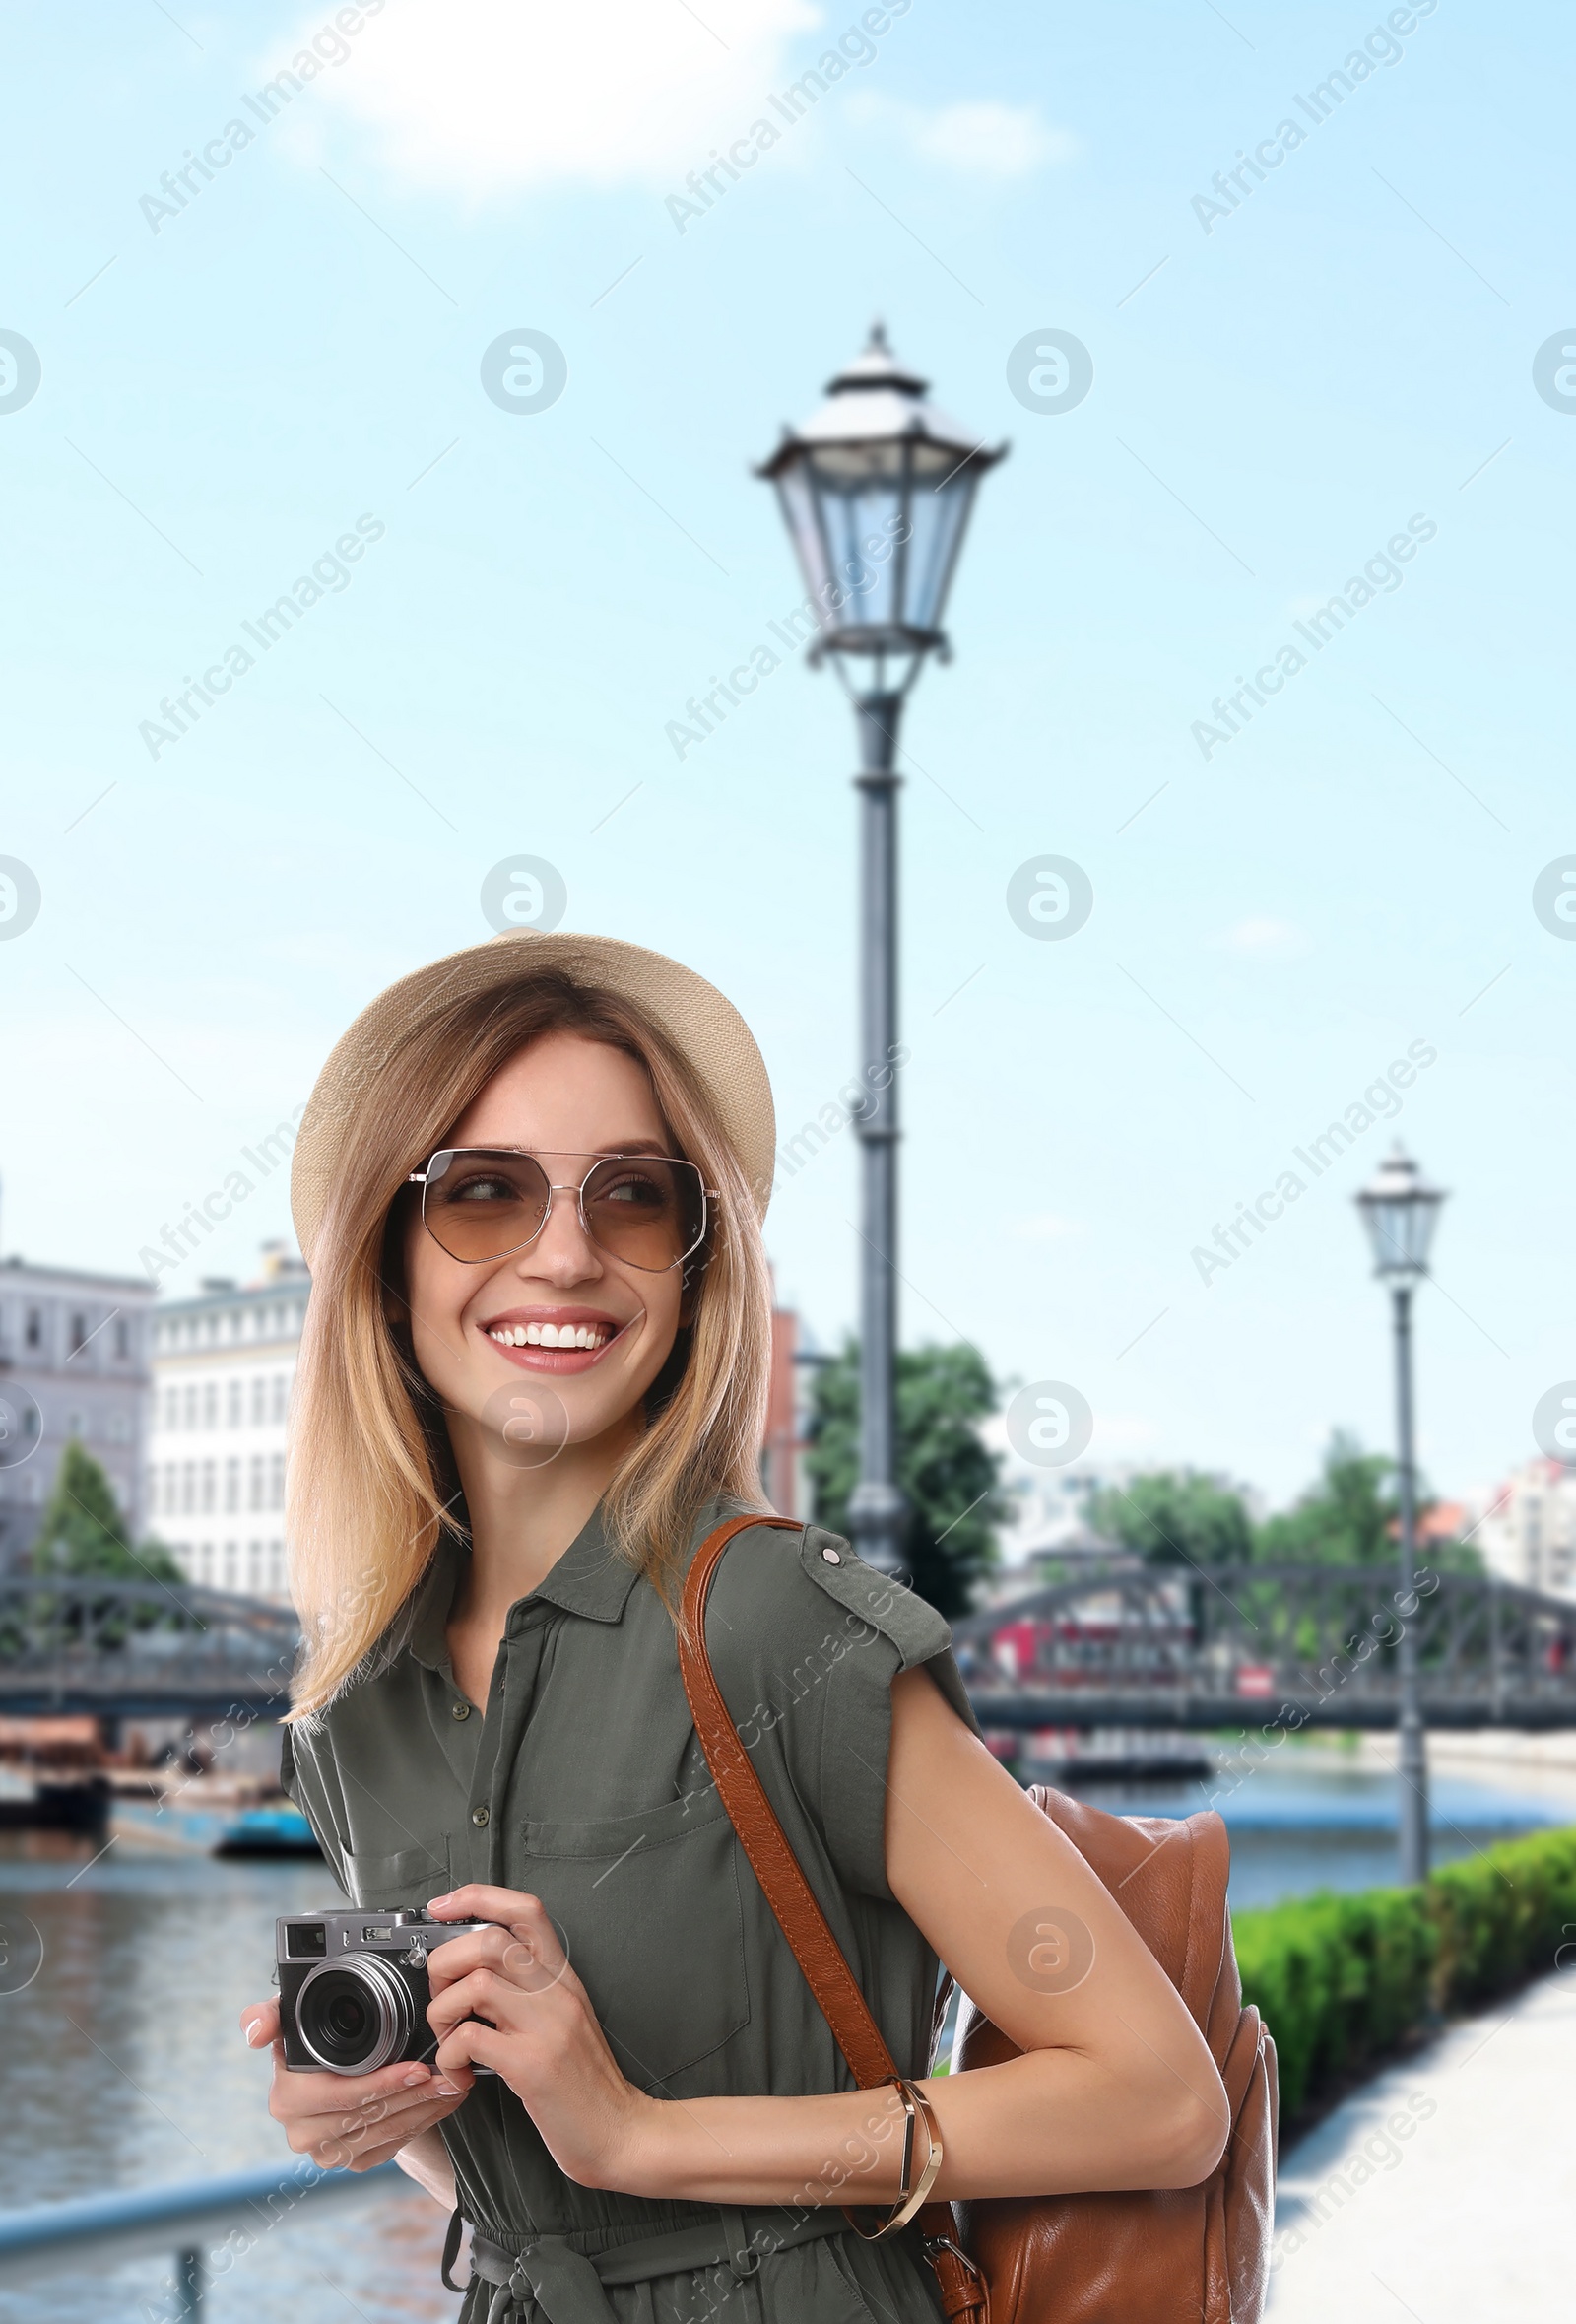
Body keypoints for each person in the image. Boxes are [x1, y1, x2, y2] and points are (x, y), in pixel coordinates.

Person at [239, 927, 1228, 2324]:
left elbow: (1159, 2098)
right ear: (388, 1268)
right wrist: (389, 2119)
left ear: (696, 1268)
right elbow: (533, 2183)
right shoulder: (352, 1710)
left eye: (634, 1199)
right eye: (482, 1195)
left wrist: (639, 2130)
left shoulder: (772, 1620)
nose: (567, 1255)